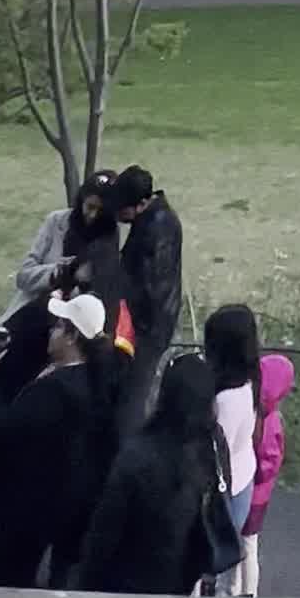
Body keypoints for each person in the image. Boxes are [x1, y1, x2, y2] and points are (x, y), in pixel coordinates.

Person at [0, 291, 112, 586]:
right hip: (62, 507)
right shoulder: (96, 383)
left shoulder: (56, 389)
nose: (52, 330)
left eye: (59, 325)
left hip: (23, 509)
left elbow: (2, 426)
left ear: (72, 337)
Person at [74, 350, 227, 595]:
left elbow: (105, 533)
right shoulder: (210, 449)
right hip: (181, 583)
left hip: (125, 583)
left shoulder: (139, 454)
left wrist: (85, 583)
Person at [112, 166, 184, 429]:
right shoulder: (152, 219)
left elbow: (149, 286)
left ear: (141, 204)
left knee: (132, 399)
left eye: (123, 209)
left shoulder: (156, 228)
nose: (119, 215)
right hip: (147, 323)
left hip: (148, 328)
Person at [202, 303, 263, 563]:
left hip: (225, 491)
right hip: (242, 477)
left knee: (210, 560)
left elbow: (213, 452)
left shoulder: (226, 398)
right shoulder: (251, 378)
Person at [237, 351, 296, 596]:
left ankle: (244, 593)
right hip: (256, 494)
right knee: (247, 547)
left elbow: (269, 463)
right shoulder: (270, 418)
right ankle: (244, 593)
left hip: (250, 492)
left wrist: (249, 470)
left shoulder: (265, 420)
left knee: (246, 547)